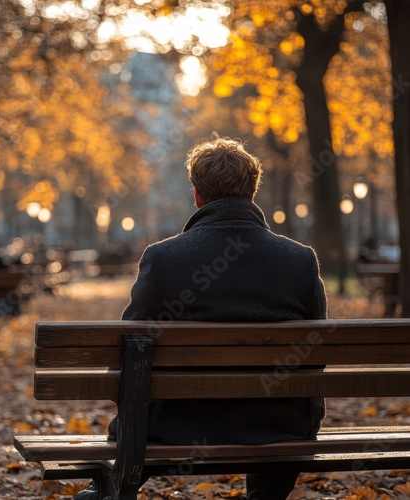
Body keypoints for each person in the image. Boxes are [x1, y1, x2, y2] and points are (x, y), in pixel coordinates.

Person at [76, 134, 327, 500]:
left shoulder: (163, 259)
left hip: (178, 424)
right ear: (252, 194)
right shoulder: (300, 260)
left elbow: (127, 347)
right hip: (280, 425)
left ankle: (111, 490)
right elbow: (315, 355)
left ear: (197, 195)